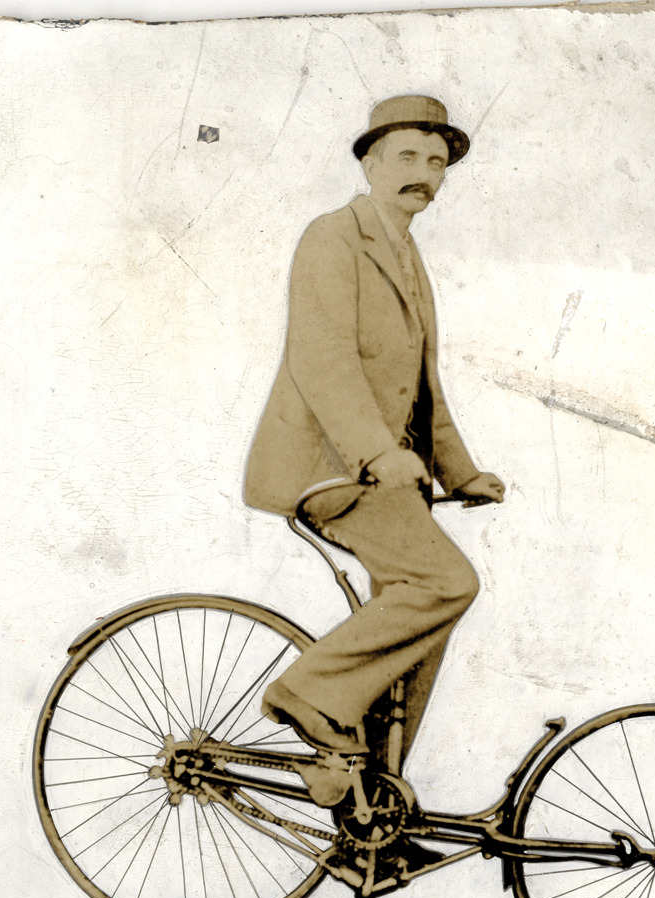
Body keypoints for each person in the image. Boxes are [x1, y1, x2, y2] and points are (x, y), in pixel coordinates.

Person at [244, 95, 504, 777]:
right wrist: (380, 452)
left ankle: (371, 801)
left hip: (383, 477)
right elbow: (322, 359)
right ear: (370, 164)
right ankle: (307, 693)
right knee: (446, 583)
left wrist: (460, 473)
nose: (424, 174)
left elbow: (422, 386)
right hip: (330, 470)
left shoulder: (407, 256)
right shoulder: (333, 237)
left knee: (418, 629)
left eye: (437, 163)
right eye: (407, 157)